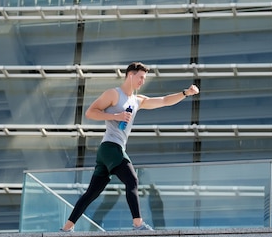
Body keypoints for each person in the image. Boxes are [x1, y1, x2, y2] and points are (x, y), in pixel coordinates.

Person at [60, 62, 199, 232]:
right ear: (130, 75)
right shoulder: (113, 94)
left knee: (92, 193)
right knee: (132, 180)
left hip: (110, 151)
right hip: (111, 147)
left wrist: (186, 93)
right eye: (140, 77)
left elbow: (164, 101)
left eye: (144, 78)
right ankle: (138, 224)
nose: (142, 81)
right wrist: (115, 115)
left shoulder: (137, 100)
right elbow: (90, 112)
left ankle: (67, 227)